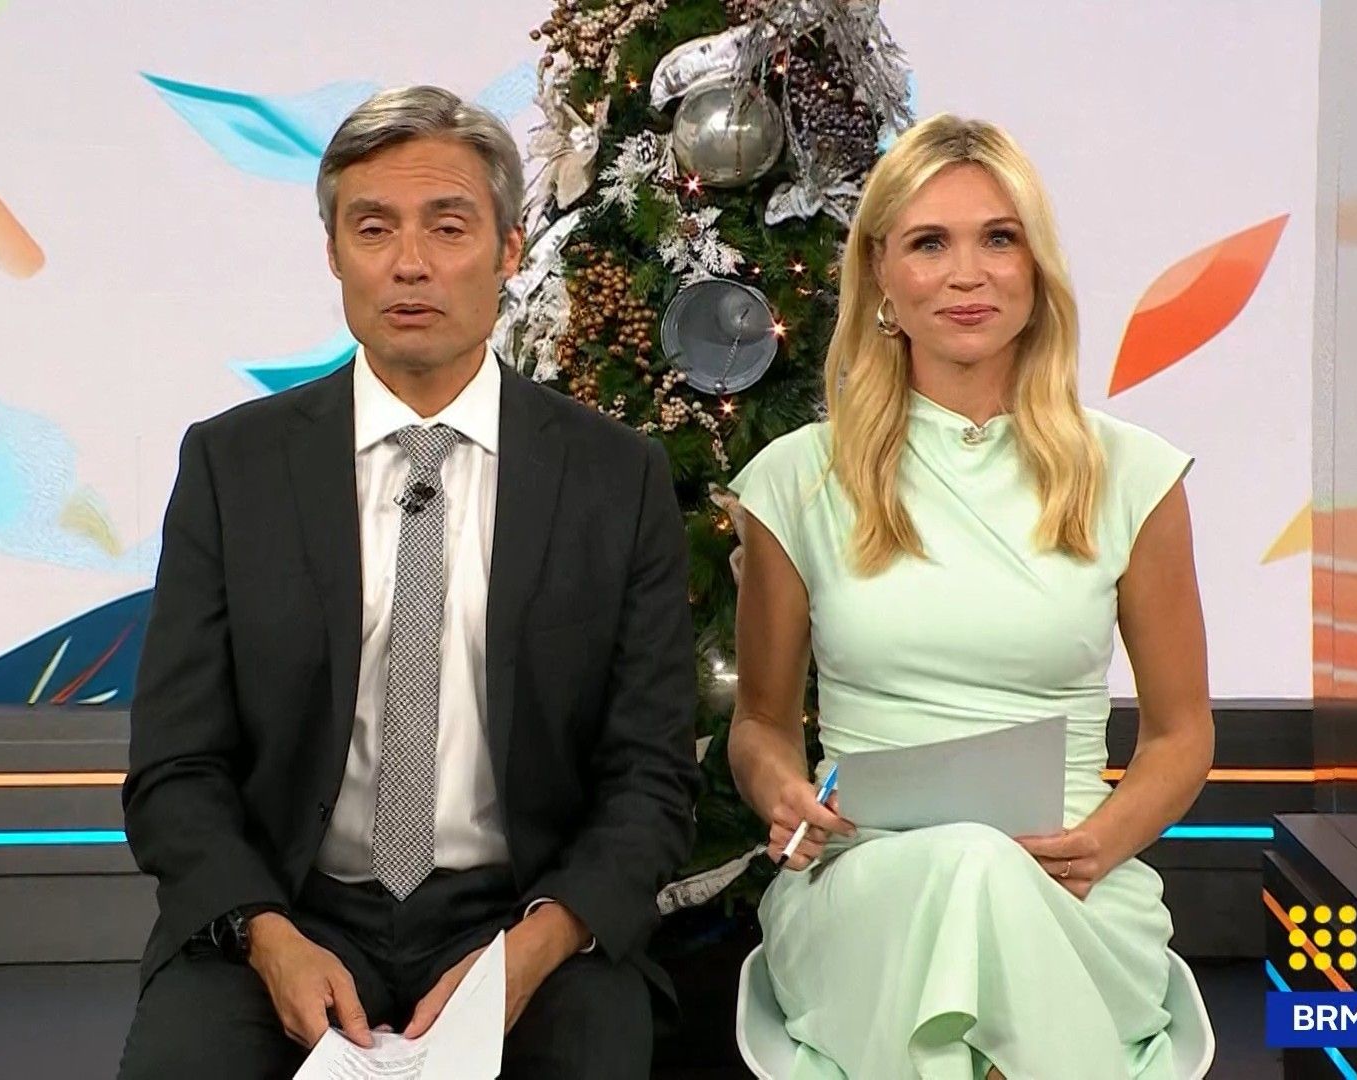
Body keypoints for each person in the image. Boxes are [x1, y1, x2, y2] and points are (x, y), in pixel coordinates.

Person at [117, 85, 698, 1080]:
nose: (410, 263)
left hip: (523, 916)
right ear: (334, 254)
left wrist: (536, 947)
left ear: (510, 251)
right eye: (373, 228)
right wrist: (266, 935)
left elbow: (650, 776)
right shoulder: (232, 466)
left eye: (449, 226)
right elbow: (176, 767)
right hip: (283, 911)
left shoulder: (614, 477)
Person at [725, 113, 1214, 1079]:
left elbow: (1181, 734)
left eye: (998, 239)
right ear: (881, 276)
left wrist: (1099, 844)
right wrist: (781, 792)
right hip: (864, 886)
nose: (966, 274)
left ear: (1036, 270)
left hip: (1072, 887)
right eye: (928, 244)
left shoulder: (1134, 475)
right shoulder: (796, 480)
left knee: (989, 874)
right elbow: (762, 726)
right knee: (965, 866)